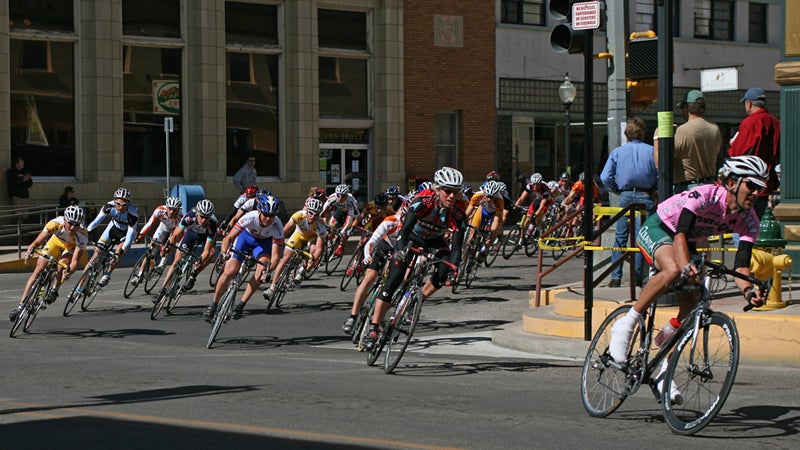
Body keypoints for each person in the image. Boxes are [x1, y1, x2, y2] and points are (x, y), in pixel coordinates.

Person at [608, 155, 768, 404]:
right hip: (660, 228)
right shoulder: (705, 195)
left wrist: (749, 292)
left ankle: (664, 368)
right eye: (752, 185)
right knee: (673, 270)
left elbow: (742, 266)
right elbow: (680, 234)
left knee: (695, 300)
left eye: (762, 188)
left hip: (689, 243)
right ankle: (626, 325)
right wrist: (685, 268)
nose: (757, 193)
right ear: (732, 183)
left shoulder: (749, 221)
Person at [362, 166, 468, 351]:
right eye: (448, 191)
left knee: (443, 271)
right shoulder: (424, 200)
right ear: (438, 189)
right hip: (411, 237)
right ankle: (374, 327)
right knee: (394, 278)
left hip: (435, 241)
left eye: (456, 192)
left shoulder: (458, 212)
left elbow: (457, 248)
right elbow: (404, 231)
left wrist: (455, 268)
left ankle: (414, 302)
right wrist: (401, 250)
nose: (452, 196)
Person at [203, 194, 284, 322]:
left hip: (263, 244)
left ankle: (241, 305)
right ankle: (213, 305)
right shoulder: (249, 217)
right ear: (259, 211)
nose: (268, 219)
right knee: (230, 270)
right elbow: (228, 238)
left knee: (260, 271)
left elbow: (275, 257)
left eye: (271, 215)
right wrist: (224, 253)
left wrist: (267, 272)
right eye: (265, 214)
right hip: (246, 239)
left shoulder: (277, 226)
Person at [600, 117, 658, 287]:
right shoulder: (651, 151)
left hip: (625, 196)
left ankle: (616, 277)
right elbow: (659, 172)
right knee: (642, 238)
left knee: (621, 236)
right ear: (643, 133)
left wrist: (615, 188)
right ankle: (637, 277)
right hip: (645, 195)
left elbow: (605, 176)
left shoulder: (618, 152)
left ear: (627, 133)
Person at [9, 205, 88, 321]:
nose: (72, 227)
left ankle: (54, 289)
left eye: (76, 225)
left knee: (62, 264)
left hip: (70, 248)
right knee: (38, 269)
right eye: (70, 223)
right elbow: (37, 242)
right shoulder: (55, 223)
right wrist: (30, 250)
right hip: (55, 242)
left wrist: (69, 271)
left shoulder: (82, 235)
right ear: (65, 219)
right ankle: (21, 306)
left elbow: (75, 261)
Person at [341, 213, 403, 335]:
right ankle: (352, 316)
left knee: (392, 284)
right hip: (383, 247)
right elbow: (372, 241)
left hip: (397, 252)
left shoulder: (415, 228)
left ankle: (378, 316)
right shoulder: (391, 221)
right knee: (369, 277)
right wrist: (367, 256)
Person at [728, 87, 781, 218]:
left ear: (749, 103)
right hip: (767, 183)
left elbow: (737, 152)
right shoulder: (775, 122)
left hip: (748, 184)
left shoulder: (750, 122)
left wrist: (732, 146)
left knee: (742, 225)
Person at [263, 197, 329, 300]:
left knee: (312, 251)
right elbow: (284, 232)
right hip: (299, 234)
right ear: (307, 211)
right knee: (285, 259)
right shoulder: (298, 215)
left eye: (316, 214)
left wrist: (313, 258)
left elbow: (319, 249)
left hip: (312, 238)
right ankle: (272, 287)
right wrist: (278, 244)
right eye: (310, 213)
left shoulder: (321, 225)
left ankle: (302, 270)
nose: (312, 216)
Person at [157, 199, 219, 295]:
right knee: (176, 261)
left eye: (207, 217)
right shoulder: (189, 216)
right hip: (191, 234)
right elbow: (176, 235)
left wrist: (200, 260)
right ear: (197, 213)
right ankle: (163, 289)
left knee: (211, 253)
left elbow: (207, 250)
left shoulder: (212, 225)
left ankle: (193, 275)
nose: (203, 220)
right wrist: (168, 245)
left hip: (205, 237)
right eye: (201, 216)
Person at [671, 90, 724, 193]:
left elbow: (668, 159)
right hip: (709, 186)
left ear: (687, 108)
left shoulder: (681, 131)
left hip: (687, 188)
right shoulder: (715, 130)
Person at [86, 188, 140, 287]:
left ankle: (107, 274)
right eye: (118, 204)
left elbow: (130, 234)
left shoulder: (133, 214)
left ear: (128, 204)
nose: (120, 207)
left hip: (126, 233)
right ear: (114, 201)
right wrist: (87, 232)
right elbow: (96, 222)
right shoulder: (109, 207)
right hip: (113, 228)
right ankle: (82, 284)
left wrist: (123, 249)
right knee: (97, 252)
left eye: (124, 205)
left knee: (118, 253)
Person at [133, 196, 184, 284]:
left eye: (175, 210)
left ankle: (162, 263)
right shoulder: (159, 210)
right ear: (166, 207)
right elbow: (149, 224)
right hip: (163, 228)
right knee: (151, 249)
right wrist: (140, 236)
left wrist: (170, 244)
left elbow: (177, 235)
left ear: (178, 210)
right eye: (170, 209)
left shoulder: (180, 218)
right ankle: (139, 275)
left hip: (174, 231)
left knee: (168, 246)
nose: (172, 212)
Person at [464, 180, 505, 262]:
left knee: (494, 231)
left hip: (493, 214)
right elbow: (468, 211)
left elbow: (497, 218)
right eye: (487, 196)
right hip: (482, 211)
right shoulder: (478, 195)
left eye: (491, 197)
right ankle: (464, 261)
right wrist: (463, 221)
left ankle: (486, 248)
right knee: (472, 233)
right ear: (484, 193)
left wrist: (492, 230)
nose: (489, 199)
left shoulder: (499, 201)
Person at [321, 184, 360, 256]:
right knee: (331, 227)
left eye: (343, 196)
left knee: (347, 230)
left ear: (347, 196)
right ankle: (330, 241)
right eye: (338, 195)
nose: (340, 198)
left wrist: (343, 230)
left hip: (351, 214)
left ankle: (341, 246)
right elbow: (323, 212)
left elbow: (350, 218)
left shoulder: (351, 201)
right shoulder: (332, 197)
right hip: (340, 211)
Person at [7, 157, 33, 223]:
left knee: (25, 215)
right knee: (18, 214)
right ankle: (16, 228)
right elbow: (11, 183)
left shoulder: (25, 172)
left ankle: (24, 229)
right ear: (17, 163)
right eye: (21, 162)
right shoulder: (11, 172)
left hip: (25, 196)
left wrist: (27, 180)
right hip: (16, 196)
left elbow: (30, 184)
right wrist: (22, 180)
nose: (23, 164)